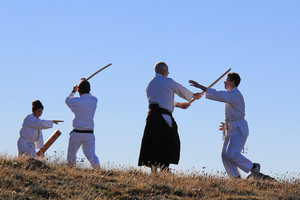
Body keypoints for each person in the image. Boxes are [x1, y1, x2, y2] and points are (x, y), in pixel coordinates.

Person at [189, 72, 260, 178]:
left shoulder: (235, 94)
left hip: (239, 129)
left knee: (231, 153)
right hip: (231, 127)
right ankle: (235, 177)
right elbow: (232, 111)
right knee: (224, 155)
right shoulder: (231, 94)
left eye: (227, 80)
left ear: (232, 82)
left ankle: (253, 167)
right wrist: (227, 124)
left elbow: (219, 95)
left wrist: (201, 86)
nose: (224, 82)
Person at [138, 62, 202, 172]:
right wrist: (193, 96)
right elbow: (180, 89)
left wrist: (179, 105)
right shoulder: (167, 81)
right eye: (167, 70)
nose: (168, 72)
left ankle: (154, 170)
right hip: (163, 117)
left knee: (153, 142)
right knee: (168, 141)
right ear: (163, 70)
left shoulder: (150, 84)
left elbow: (160, 99)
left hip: (151, 117)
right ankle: (164, 168)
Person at [65, 79, 100, 168]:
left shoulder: (76, 101)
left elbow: (67, 100)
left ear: (79, 91)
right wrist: (85, 84)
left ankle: (71, 170)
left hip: (77, 132)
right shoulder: (94, 100)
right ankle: (98, 169)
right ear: (89, 90)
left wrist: (73, 91)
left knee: (71, 155)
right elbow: (90, 95)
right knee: (91, 155)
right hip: (89, 133)